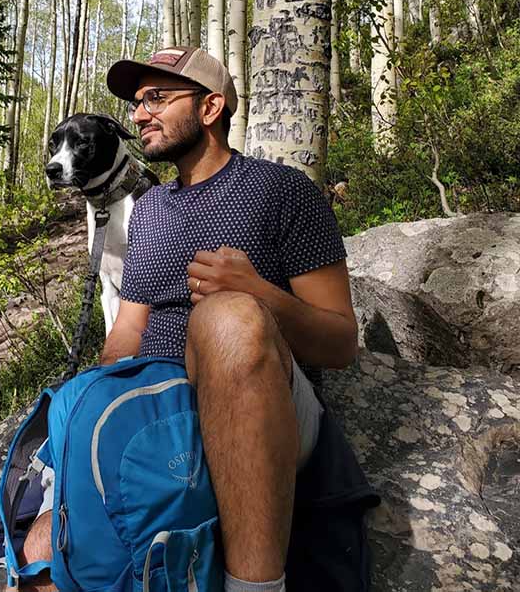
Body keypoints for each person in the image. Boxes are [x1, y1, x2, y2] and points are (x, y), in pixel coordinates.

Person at [19, 46, 362, 592]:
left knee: (225, 319)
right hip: (161, 410)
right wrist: (89, 402)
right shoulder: (150, 210)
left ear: (210, 109)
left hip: (259, 404)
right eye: (136, 103)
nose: (138, 115)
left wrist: (257, 294)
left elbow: (342, 343)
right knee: (42, 549)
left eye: (156, 98)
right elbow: (128, 331)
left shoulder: (284, 191)